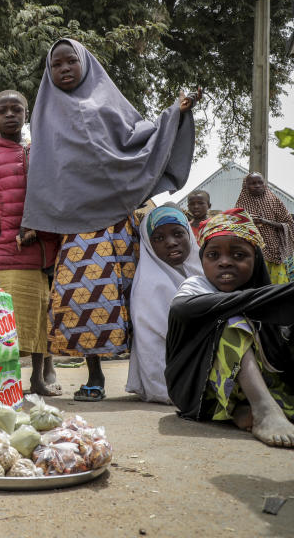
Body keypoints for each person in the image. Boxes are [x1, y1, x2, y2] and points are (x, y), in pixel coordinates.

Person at [22, 38, 199, 402]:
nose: (65, 69)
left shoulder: (109, 104)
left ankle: (149, 377)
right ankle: (95, 375)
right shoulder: (44, 115)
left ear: (85, 64)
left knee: (138, 302)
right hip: (78, 227)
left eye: (71, 61)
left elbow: (140, 139)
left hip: (122, 222)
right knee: (83, 301)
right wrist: (33, 219)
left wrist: (174, 114)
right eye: (57, 65)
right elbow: (44, 172)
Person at [166, 209, 294, 448]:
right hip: (199, 391)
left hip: (263, 384)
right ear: (202, 260)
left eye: (238, 255)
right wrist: (264, 299)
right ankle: (265, 412)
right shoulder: (197, 285)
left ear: (255, 260)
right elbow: (181, 309)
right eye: (213, 255)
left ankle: (241, 411)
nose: (224, 262)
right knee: (230, 321)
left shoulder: (267, 289)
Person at [0, 90, 60, 396]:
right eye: (2, 110)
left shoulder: (39, 153)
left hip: (33, 254)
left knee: (36, 321)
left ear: (26, 115)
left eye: (16, 109)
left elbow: (53, 198)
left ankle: (37, 380)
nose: (10, 114)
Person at [125, 206, 202, 404]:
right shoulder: (150, 285)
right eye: (158, 238)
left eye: (178, 234)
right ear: (149, 246)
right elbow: (153, 348)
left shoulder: (204, 270)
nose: (171, 243)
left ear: (190, 236)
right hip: (167, 378)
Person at [235, 172, 294, 284]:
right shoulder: (241, 205)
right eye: (252, 183)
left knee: (279, 287)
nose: (257, 185)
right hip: (253, 252)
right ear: (246, 186)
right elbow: (236, 229)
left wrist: (266, 222)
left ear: (264, 184)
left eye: (260, 182)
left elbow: (289, 224)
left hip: (277, 252)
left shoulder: (274, 201)